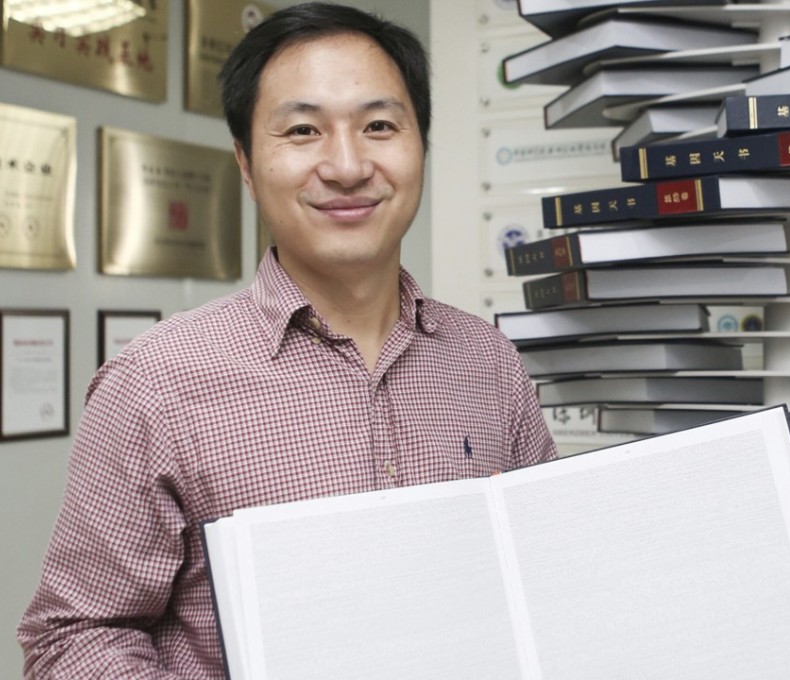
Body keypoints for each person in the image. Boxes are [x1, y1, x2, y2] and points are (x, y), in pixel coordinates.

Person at [18, 3, 557, 677]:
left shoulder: (488, 363)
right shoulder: (156, 383)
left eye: (380, 126)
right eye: (303, 130)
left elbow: (547, 579)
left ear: (421, 144)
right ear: (246, 164)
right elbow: (73, 636)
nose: (347, 164)